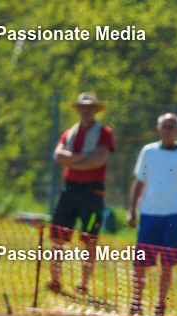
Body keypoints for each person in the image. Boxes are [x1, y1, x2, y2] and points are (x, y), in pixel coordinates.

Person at [126, 113, 177, 316]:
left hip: (174, 216)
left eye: (171, 127)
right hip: (149, 214)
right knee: (140, 262)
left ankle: (160, 306)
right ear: (158, 129)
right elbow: (139, 181)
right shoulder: (148, 151)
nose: (167, 131)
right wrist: (132, 210)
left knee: (167, 263)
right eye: (164, 127)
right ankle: (136, 303)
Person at [48, 92, 114, 296]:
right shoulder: (69, 133)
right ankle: (55, 280)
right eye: (83, 106)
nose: (86, 110)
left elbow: (98, 160)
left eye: (90, 106)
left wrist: (72, 161)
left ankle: (84, 284)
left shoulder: (104, 133)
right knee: (57, 236)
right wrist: (85, 155)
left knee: (89, 238)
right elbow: (58, 157)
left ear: (95, 110)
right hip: (69, 189)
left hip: (92, 192)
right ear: (78, 109)